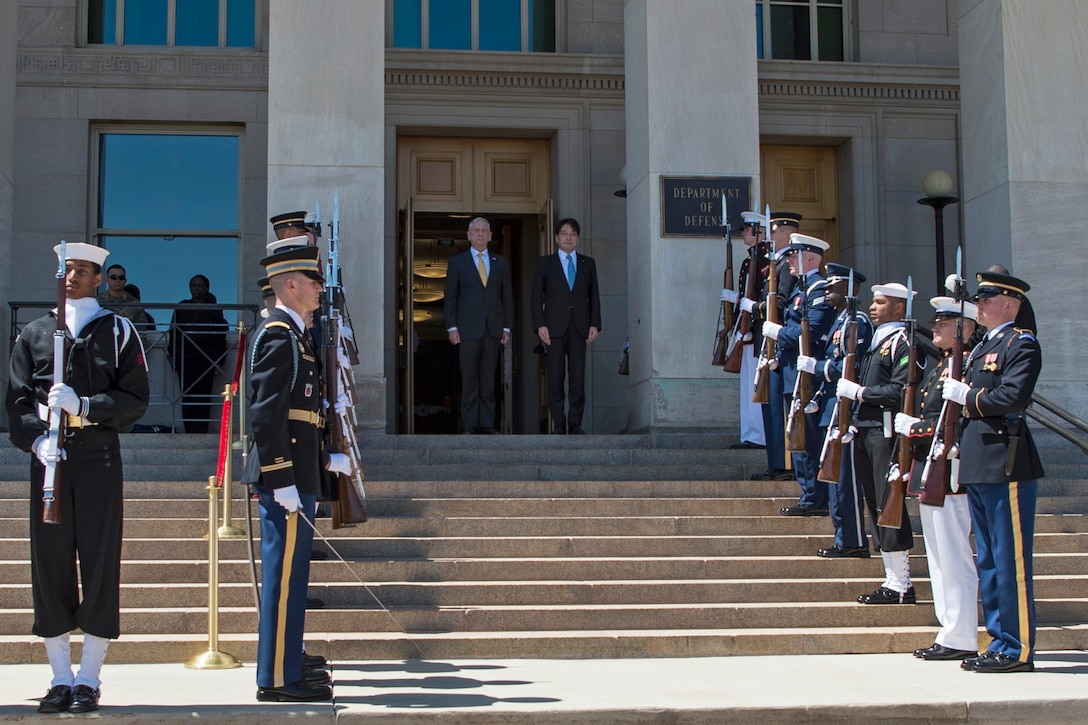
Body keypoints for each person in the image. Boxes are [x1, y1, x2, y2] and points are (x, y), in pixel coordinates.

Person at [6, 242, 149, 714]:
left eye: (83, 271)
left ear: (99, 279)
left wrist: (86, 407)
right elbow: (18, 400)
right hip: (49, 460)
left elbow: (134, 397)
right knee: (49, 565)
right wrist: (36, 440)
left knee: (99, 561)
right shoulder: (34, 332)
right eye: (67, 270)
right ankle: (60, 677)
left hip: (97, 458)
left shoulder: (118, 330)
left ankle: (89, 677)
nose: (73, 277)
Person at [249, 244, 350, 702]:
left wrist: (325, 462)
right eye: (312, 282)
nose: (318, 289)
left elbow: (302, 417)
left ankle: (287, 665)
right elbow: (266, 416)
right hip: (285, 480)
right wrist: (281, 478)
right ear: (290, 285)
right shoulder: (277, 335)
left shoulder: (295, 335)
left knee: (292, 582)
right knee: (283, 581)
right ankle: (275, 679)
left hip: (299, 476)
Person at [941, 271, 1043, 673]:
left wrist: (968, 395)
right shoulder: (982, 343)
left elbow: (1014, 395)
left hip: (1006, 458)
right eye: (979, 298)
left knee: (1009, 560)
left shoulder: (1021, 343)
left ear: (1010, 304)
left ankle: (1016, 648)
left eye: (987, 298)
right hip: (980, 461)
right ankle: (1000, 639)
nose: (979, 304)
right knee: (987, 559)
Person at [895, 295, 981, 660]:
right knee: (937, 555)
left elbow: (956, 424)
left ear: (964, 328)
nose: (936, 328)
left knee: (953, 553)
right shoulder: (944, 365)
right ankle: (950, 630)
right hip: (929, 467)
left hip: (949, 469)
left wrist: (917, 428)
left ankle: (961, 635)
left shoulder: (966, 366)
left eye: (944, 323)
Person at [836, 282, 918, 605]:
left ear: (900, 308)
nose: (873, 307)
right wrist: (854, 420)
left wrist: (859, 394)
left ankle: (902, 581)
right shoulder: (877, 341)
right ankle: (892, 578)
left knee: (889, 505)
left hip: (885, 434)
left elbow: (899, 390)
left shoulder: (902, 342)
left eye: (881, 302)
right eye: (873, 302)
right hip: (868, 431)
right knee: (875, 505)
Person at [762, 234, 836, 516]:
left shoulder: (819, 291)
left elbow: (811, 332)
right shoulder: (801, 290)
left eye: (794, 256)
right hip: (793, 374)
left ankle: (815, 499)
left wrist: (778, 333)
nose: (789, 261)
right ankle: (809, 495)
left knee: (809, 440)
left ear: (810, 259)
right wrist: (779, 357)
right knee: (798, 439)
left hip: (808, 378)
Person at [806, 264, 873, 557]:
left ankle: (853, 540)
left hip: (846, 407)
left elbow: (853, 367)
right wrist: (819, 394)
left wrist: (818, 368)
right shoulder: (840, 321)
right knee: (833, 474)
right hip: (831, 406)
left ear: (850, 289)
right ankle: (842, 536)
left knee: (846, 478)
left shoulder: (857, 322)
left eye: (834, 287)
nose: (827, 291)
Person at [531, 217, 602, 434]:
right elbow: (535, 297)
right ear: (556, 237)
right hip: (553, 328)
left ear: (578, 238)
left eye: (572, 234)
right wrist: (539, 325)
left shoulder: (588, 263)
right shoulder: (545, 263)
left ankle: (575, 424)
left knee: (578, 378)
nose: (568, 237)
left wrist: (595, 324)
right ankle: (559, 425)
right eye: (564, 233)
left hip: (580, 327)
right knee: (554, 377)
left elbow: (594, 296)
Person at [444, 217, 513, 434]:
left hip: (493, 329)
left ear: (491, 236)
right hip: (467, 330)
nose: (481, 234)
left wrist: (507, 327)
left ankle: (487, 424)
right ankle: (470, 424)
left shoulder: (500, 262)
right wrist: (451, 327)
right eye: (477, 231)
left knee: (488, 378)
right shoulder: (458, 262)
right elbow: (451, 297)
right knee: (470, 378)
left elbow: (507, 297)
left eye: (484, 231)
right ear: (469, 235)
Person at [750, 211, 801, 481]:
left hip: (780, 345)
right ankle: (775, 461)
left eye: (774, 230)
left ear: (786, 233)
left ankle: (785, 463)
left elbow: (780, 303)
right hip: (769, 342)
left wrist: (755, 309)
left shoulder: (787, 266)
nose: (769, 235)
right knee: (768, 402)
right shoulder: (777, 263)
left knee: (778, 406)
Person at [720, 209, 768, 449]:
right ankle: (749, 434)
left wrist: (744, 308)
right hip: (745, 329)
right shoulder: (750, 259)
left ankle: (758, 436)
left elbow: (762, 297)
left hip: (756, 331)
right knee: (747, 385)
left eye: (748, 230)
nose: (743, 234)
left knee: (755, 385)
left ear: (760, 233)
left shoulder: (765, 261)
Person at [168, 274, 228, 434]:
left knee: (203, 394)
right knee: (187, 394)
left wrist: (220, 359)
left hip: (206, 357)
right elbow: (173, 332)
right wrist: (172, 355)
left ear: (206, 288)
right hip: (185, 356)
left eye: (200, 286)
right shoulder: (183, 306)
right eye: (194, 285)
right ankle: (189, 429)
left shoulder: (214, 308)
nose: (197, 288)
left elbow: (221, 334)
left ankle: (201, 429)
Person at [96, 263, 152, 328]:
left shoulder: (134, 304)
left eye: (121, 278)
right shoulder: (96, 302)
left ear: (125, 281)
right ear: (106, 280)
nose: (118, 280)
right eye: (113, 277)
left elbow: (141, 331)